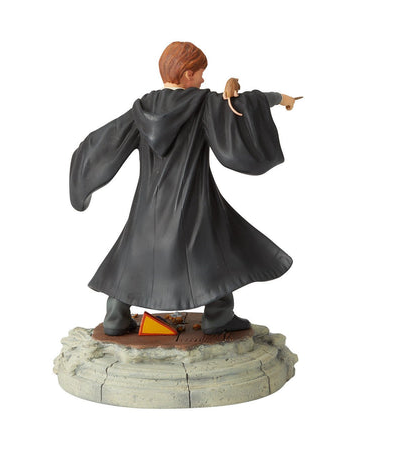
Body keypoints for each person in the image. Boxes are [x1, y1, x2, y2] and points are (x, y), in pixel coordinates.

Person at [70, 41, 296, 335]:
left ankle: (115, 317)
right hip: (193, 197)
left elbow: (104, 141)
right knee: (216, 247)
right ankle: (219, 315)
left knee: (134, 251)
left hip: (148, 205)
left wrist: (83, 173)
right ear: (188, 73)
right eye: (200, 72)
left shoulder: (142, 109)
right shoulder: (203, 104)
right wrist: (281, 98)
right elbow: (245, 104)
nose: (203, 79)